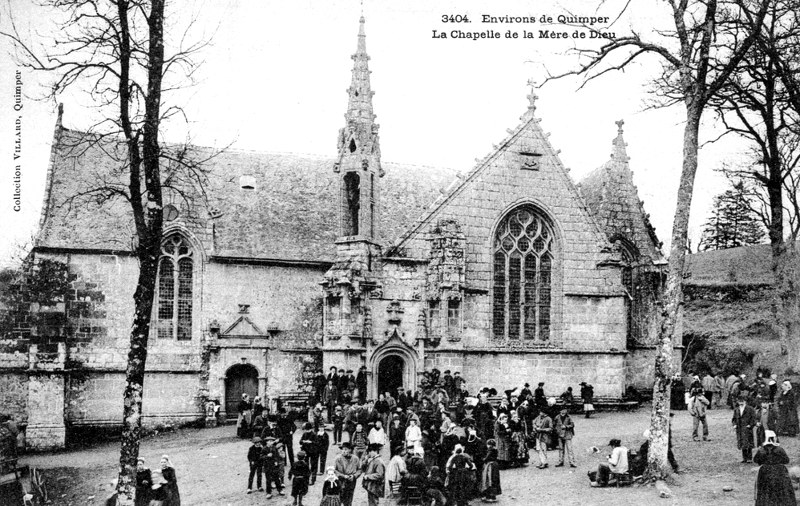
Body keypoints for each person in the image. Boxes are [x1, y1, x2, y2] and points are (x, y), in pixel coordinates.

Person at [754, 433, 796, 506]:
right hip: (779, 471)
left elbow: (755, 460)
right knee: (781, 490)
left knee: (765, 490)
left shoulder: (761, 450)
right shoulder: (780, 449)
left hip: (765, 471)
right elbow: (786, 460)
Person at [732, 397, 757, 463]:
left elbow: (754, 418)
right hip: (740, 429)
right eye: (739, 401)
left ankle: (749, 458)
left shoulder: (750, 409)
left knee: (748, 443)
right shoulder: (736, 409)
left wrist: (750, 425)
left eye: (742, 401)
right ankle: (744, 458)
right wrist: (734, 425)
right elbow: (734, 419)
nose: (741, 403)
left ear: (745, 401)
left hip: (747, 428)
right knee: (742, 443)